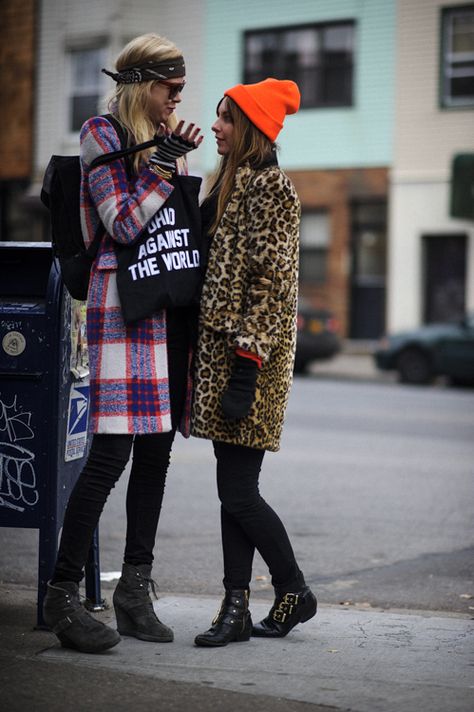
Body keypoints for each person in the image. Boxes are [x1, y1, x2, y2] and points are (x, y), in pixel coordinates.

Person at [43, 33, 203, 653]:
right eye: (171, 88)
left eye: (182, 89)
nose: (177, 99)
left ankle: (135, 591)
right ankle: (61, 596)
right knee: (110, 455)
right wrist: (162, 164)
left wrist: (171, 163)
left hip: (163, 306)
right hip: (118, 305)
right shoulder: (100, 134)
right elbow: (124, 223)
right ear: (143, 85)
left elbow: (171, 230)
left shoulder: (170, 151)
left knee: (158, 451)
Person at [192, 78, 317, 647]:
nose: (215, 125)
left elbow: (269, 284)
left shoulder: (273, 189)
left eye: (224, 118)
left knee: (239, 492)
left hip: (251, 363)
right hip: (224, 358)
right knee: (231, 489)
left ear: (250, 128)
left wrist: (245, 369)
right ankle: (237, 606)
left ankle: (292, 590)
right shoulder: (229, 185)